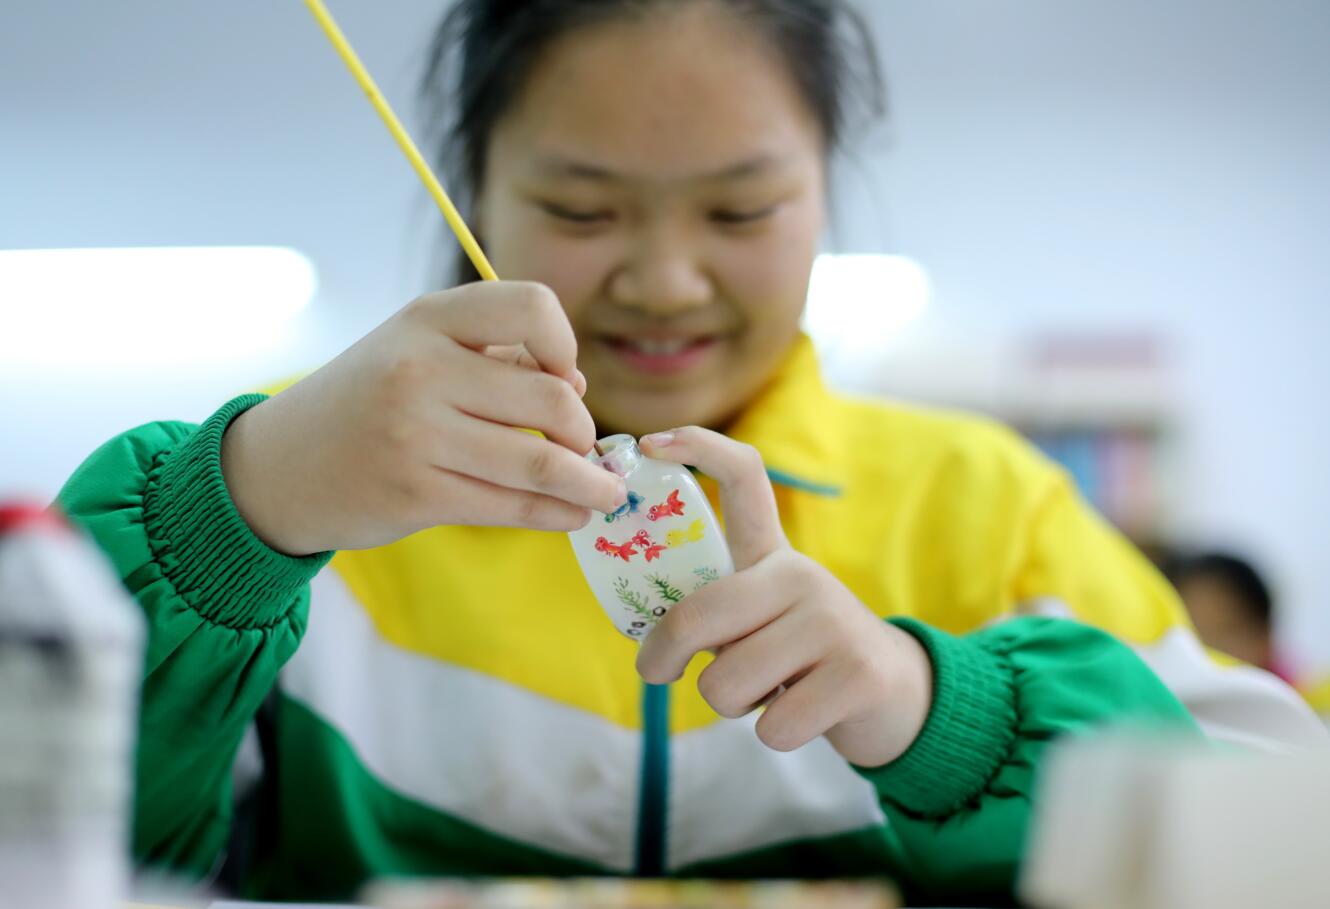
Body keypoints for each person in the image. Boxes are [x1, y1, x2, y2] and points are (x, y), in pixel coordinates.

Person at [56, 0, 1326, 904]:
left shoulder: (988, 508)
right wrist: (229, 520)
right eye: (582, 208)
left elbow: (1276, 840)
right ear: (473, 187)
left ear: (823, 191)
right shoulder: (293, 485)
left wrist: (943, 716)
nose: (665, 281)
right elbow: (51, 834)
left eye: (739, 208)